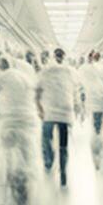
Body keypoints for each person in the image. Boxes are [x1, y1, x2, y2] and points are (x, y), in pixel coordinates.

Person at [0, 54, 41, 205]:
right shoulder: (25, 77)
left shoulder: (2, 77)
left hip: (9, 119)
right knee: (27, 153)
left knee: (7, 149)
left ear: (1, 67)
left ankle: (10, 176)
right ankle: (24, 179)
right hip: (27, 119)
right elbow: (34, 95)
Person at [37, 47, 80, 187]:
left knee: (46, 137)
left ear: (52, 56)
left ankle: (49, 160)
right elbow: (75, 92)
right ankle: (63, 172)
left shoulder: (45, 70)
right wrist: (77, 107)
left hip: (49, 111)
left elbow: (37, 91)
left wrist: (39, 108)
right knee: (63, 144)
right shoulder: (70, 71)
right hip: (65, 112)